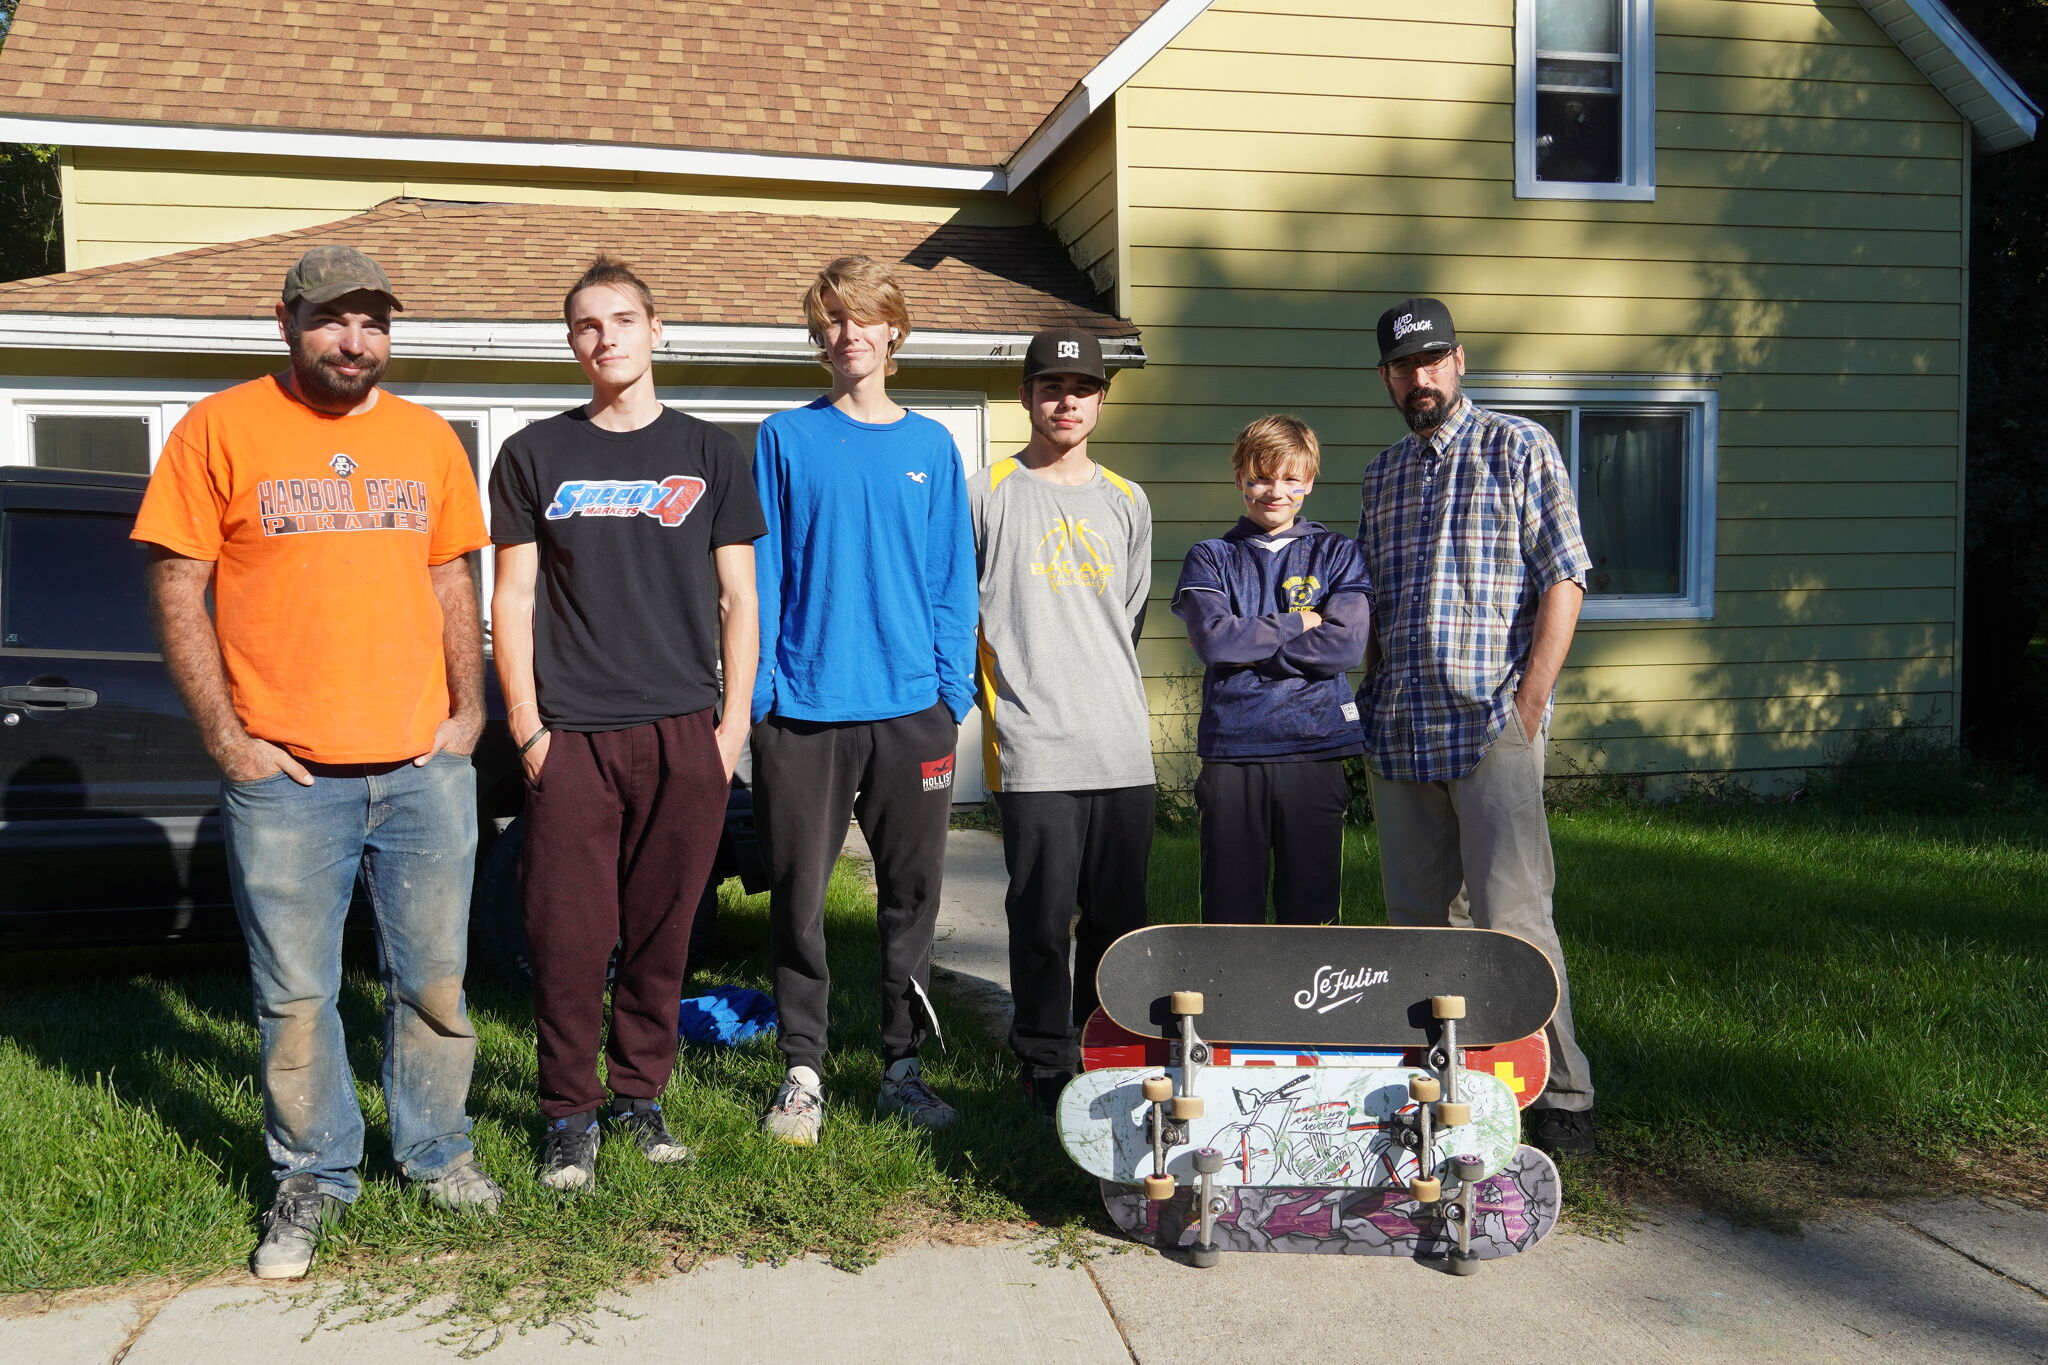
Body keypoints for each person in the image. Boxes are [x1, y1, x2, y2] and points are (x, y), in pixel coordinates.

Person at [134, 245, 502, 1280]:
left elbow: (450, 577)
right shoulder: (219, 428)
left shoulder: (426, 437)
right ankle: (312, 1174)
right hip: (288, 775)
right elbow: (177, 585)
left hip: (424, 767)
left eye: (373, 322)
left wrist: (469, 710)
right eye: (334, 319)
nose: (354, 340)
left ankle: (436, 1154)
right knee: (295, 997)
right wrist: (228, 739)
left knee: (435, 983)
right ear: (286, 321)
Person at [489, 256, 764, 1190]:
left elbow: (738, 599)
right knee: (567, 937)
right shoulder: (535, 454)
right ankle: (569, 1113)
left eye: (621, 319)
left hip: (685, 731)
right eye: (586, 325)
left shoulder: (711, 452)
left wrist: (730, 729)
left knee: (663, 930)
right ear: (572, 343)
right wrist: (529, 729)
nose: (605, 337)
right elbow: (513, 598)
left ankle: (639, 1097)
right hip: (573, 734)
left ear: (656, 329)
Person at [1354, 296, 1598, 1155]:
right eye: (1402, 367)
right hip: (1400, 730)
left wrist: (1528, 705)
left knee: (1515, 920)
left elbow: (1565, 576)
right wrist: (1364, 695)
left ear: (1458, 360)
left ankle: (1564, 1094)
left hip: (1491, 720)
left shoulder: (1518, 446)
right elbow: (1371, 603)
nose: (1418, 378)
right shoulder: (1381, 474)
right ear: (1386, 378)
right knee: (1421, 925)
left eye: (1432, 361)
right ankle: (1449, 1085)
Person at [749, 255, 976, 1144]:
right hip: (804, 711)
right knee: (799, 897)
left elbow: (952, 578)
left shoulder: (931, 447)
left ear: (894, 330)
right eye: (832, 319)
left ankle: (901, 1066)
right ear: (820, 336)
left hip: (913, 710)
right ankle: (803, 1071)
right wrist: (763, 696)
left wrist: (951, 693)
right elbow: (763, 574)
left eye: (863, 317)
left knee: (911, 896)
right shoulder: (784, 437)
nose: (847, 333)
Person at [968, 327, 1154, 1115]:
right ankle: (1044, 1058)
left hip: (1121, 745)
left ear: (1101, 400)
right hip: (1033, 742)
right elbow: (960, 608)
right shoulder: (987, 492)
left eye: (1082, 388)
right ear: (1026, 396)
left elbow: (1129, 614)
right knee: (1042, 917)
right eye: (1051, 386)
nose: (1067, 401)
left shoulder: (1128, 500)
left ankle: (1105, 1051)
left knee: (1118, 921)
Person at [1173, 415, 1371, 927]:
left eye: (1290, 479)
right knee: (1230, 913)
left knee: (1311, 912)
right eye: (1261, 478)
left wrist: (1251, 649)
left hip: (1315, 746)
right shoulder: (1211, 557)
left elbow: (1345, 646)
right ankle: (1227, 985)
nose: (1275, 491)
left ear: (1310, 481)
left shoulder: (1338, 553)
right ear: (1239, 478)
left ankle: (1305, 985)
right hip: (1233, 748)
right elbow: (1214, 641)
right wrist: (1299, 621)